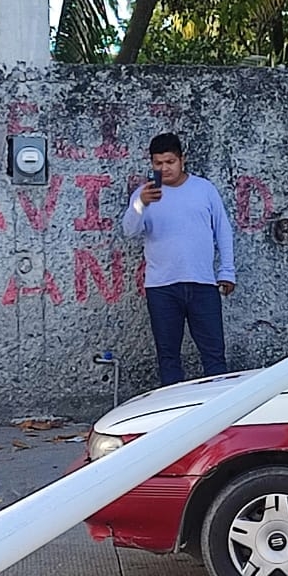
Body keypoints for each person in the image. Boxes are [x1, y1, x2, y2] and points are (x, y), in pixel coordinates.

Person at [121, 133, 236, 386]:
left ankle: (219, 410)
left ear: (182, 160)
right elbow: (129, 231)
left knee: (214, 354)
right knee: (168, 356)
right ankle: (173, 413)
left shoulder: (204, 189)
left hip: (203, 283)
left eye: (170, 162)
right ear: (151, 163)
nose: (165, 168)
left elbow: (223, 230)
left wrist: (227, 271)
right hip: (162, 286)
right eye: (158, 163)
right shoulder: (145, 194)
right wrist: (140, 204)